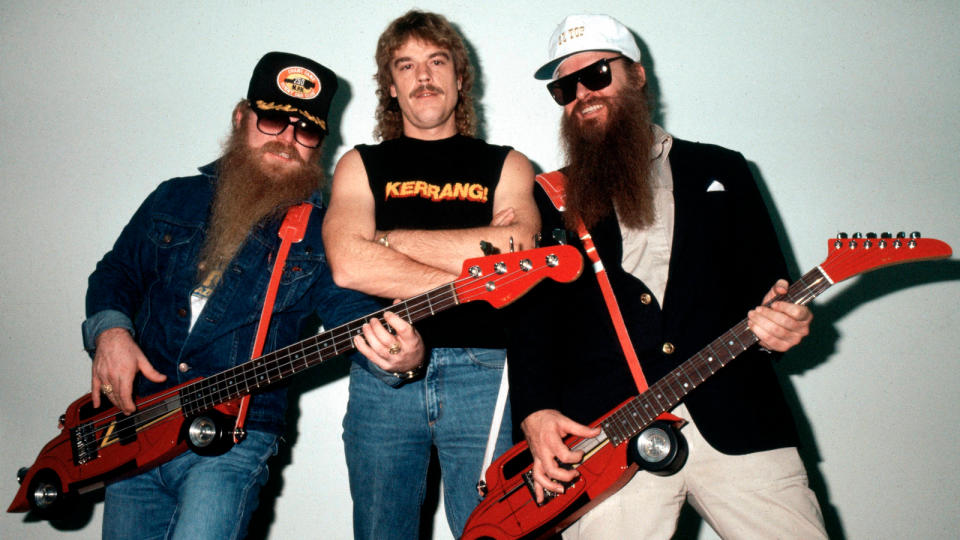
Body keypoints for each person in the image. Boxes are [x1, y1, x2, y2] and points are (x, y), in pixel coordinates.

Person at [506, 14, 828, 539]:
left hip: (738, 420)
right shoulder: (548, 198)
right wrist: (534, 412)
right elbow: (530, 319)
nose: (581, 94)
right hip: (606, 440)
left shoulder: (725, 170)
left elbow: (772, 293)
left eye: (597, 75)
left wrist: (781, 331)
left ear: (636, 75)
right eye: (564, 87)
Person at [83, 51, 424, 540]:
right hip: (136, 428)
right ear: (242, 118)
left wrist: (403, 358)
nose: (287, 139)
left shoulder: (322, 232)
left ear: (319, 147)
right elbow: (115, 274)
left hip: (230, 442)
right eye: (273, 120)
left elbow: (356, 316)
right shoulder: (172, 198)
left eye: (305, 130)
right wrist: (111, 332)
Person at [321, 10, 539, 539]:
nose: (423, 76)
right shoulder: (360, 165)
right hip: (382, 370)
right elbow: (348, 264)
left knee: (494, 530)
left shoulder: (508, 165)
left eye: (437, 61)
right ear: (390, 87)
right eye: (406, 65)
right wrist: (476, 271)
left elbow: (520, 251)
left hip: (486, 371)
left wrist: (386, 240)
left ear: (459, 79)